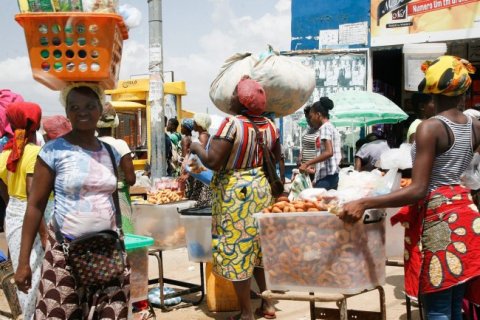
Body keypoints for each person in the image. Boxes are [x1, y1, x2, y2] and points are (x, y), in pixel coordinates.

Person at [340, 56, 480, 319]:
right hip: (466, 213)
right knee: (454, 302)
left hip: (441, 219)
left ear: (430, 89)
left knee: (438, 307)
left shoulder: (431, 128)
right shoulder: (475, 125)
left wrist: (364, 202)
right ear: (463, 90)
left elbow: (417, 189)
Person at [15, 83, 130, 319]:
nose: (82, 112)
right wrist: (23, 262)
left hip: (106, 252)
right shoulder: (52, 151)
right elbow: (35, 205)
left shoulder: (110, 152)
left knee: (113, 313)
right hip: (64, 254)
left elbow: (112, 197)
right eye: (74, 107)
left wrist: (120, 236)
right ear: (67, 113)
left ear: (100, 108)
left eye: (89, 106)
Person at [190, 76, 279, 320]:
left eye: (233, 94)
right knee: (259, 250)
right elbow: (275, 159)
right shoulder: (270, 126)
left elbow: (214, 162)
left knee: (237, 250)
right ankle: (268, 304)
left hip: (235, 196)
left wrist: (196, 147)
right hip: (262, 191)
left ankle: (247, 313)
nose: (229, 98)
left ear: (240, 100)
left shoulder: (233, 124)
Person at [0, 101, 53, 320]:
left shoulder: (5, 154)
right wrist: (43, 232)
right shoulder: (35, 153)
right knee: (37, 271)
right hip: (36, 216)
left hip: (13, 212)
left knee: (24, 271)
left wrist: (14, 210)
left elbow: (4, 192)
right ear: (37, 123)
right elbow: (35, 198)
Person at [97, 102, 136, 233]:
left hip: (96, 199)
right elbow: (131, 179)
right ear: (116, 121)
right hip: (120, 197)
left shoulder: (91, 144)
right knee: (124, 235)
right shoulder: (120, 145)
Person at [299, 97, 342, 189]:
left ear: (318, 115)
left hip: (327, 177)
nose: (310, 120)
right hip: (331, 175)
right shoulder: (330, 127)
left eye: (311, 117)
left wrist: (307, 163)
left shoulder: (324, 128)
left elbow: (329, 152)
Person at [190, 113, 213, 207]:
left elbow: (200, 156)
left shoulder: (203, 136)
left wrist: (187, 169)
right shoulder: (206, 135)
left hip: (202, 176)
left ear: (199, 124)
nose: (193, 124)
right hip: (200, 174)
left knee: (203, 205)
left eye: (194, 122)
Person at [298, 105, 319, 181]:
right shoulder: (309, 130)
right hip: (305, 168)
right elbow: (305, 146)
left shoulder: (322, 130)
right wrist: (300, 156)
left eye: (309, 118)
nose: (308, 121)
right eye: (307, 119)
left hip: (314, 168)